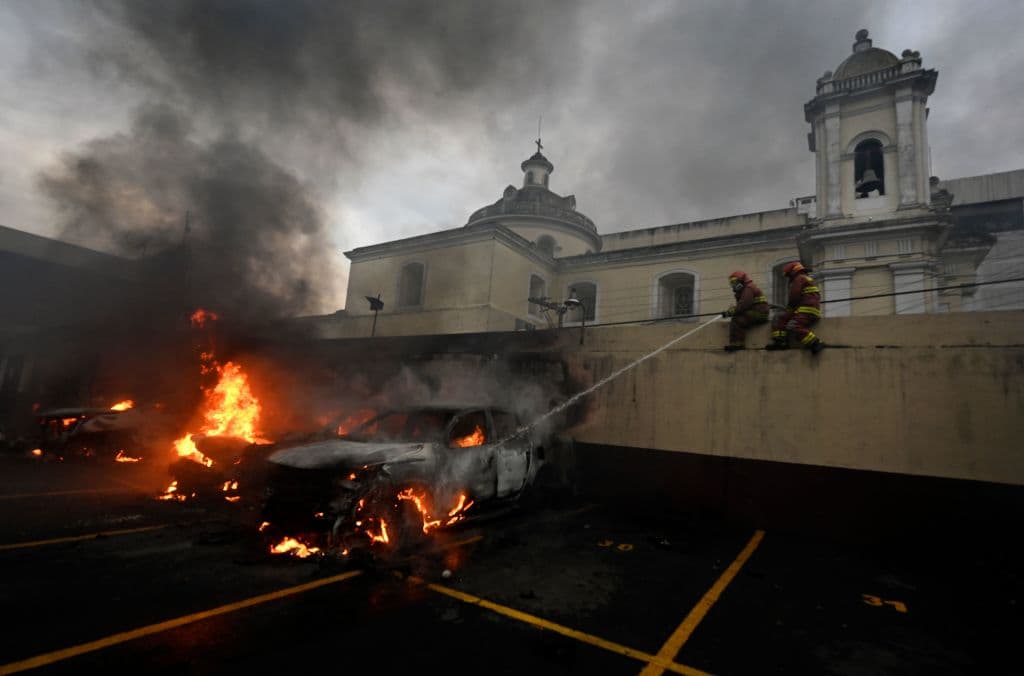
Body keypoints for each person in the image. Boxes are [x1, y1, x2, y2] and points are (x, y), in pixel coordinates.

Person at [767, 261, 824, 354]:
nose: (789, 278)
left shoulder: (799, 279)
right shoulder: (805, 278)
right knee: (779, 317)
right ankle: (780, 341)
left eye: (788, 275)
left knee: (793, 326)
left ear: (793, 272)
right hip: (805, 310)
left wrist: (789, 308)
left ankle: (815, 343)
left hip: (805, 311)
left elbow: (794, 296)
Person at [721, 271, 769, 351]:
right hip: (757, 312)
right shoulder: (744, 290)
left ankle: (737, 345)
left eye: (734, 282)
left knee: (737, 320)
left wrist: (730, 312)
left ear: (741, 281)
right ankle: (736, 344)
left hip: (759, 313)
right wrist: (732, 310)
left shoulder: (748, 288)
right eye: (732, 283)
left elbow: (743, 305)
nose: (733, 285)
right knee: (737, 317)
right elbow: (741, 305)